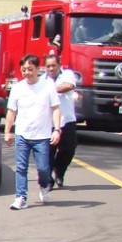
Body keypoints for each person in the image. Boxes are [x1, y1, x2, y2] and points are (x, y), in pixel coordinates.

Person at [3, 54, 61, 210]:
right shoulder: (17, 88)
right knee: (21, 168)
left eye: (30, 69)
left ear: (37, 69)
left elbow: (55, 108)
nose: (27, 73)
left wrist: (57, 129)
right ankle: (21, 197)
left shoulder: (48, 86)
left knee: (43, 169)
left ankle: (44, 186)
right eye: (24, 70)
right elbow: (11, 111)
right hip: (22, 134)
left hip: (42, 136)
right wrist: (7, 132)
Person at [43, 52, 77, 188]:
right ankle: (48, 180)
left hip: (67, 120)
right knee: (48, 153)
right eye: (48, 66)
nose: (51, 69)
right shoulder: (41, 81)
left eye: (54, 66)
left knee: (68, 150)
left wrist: (50, 90)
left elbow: (68, 86)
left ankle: (59, 171)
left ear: (59, 65)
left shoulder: (67, 75)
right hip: (49, 123)